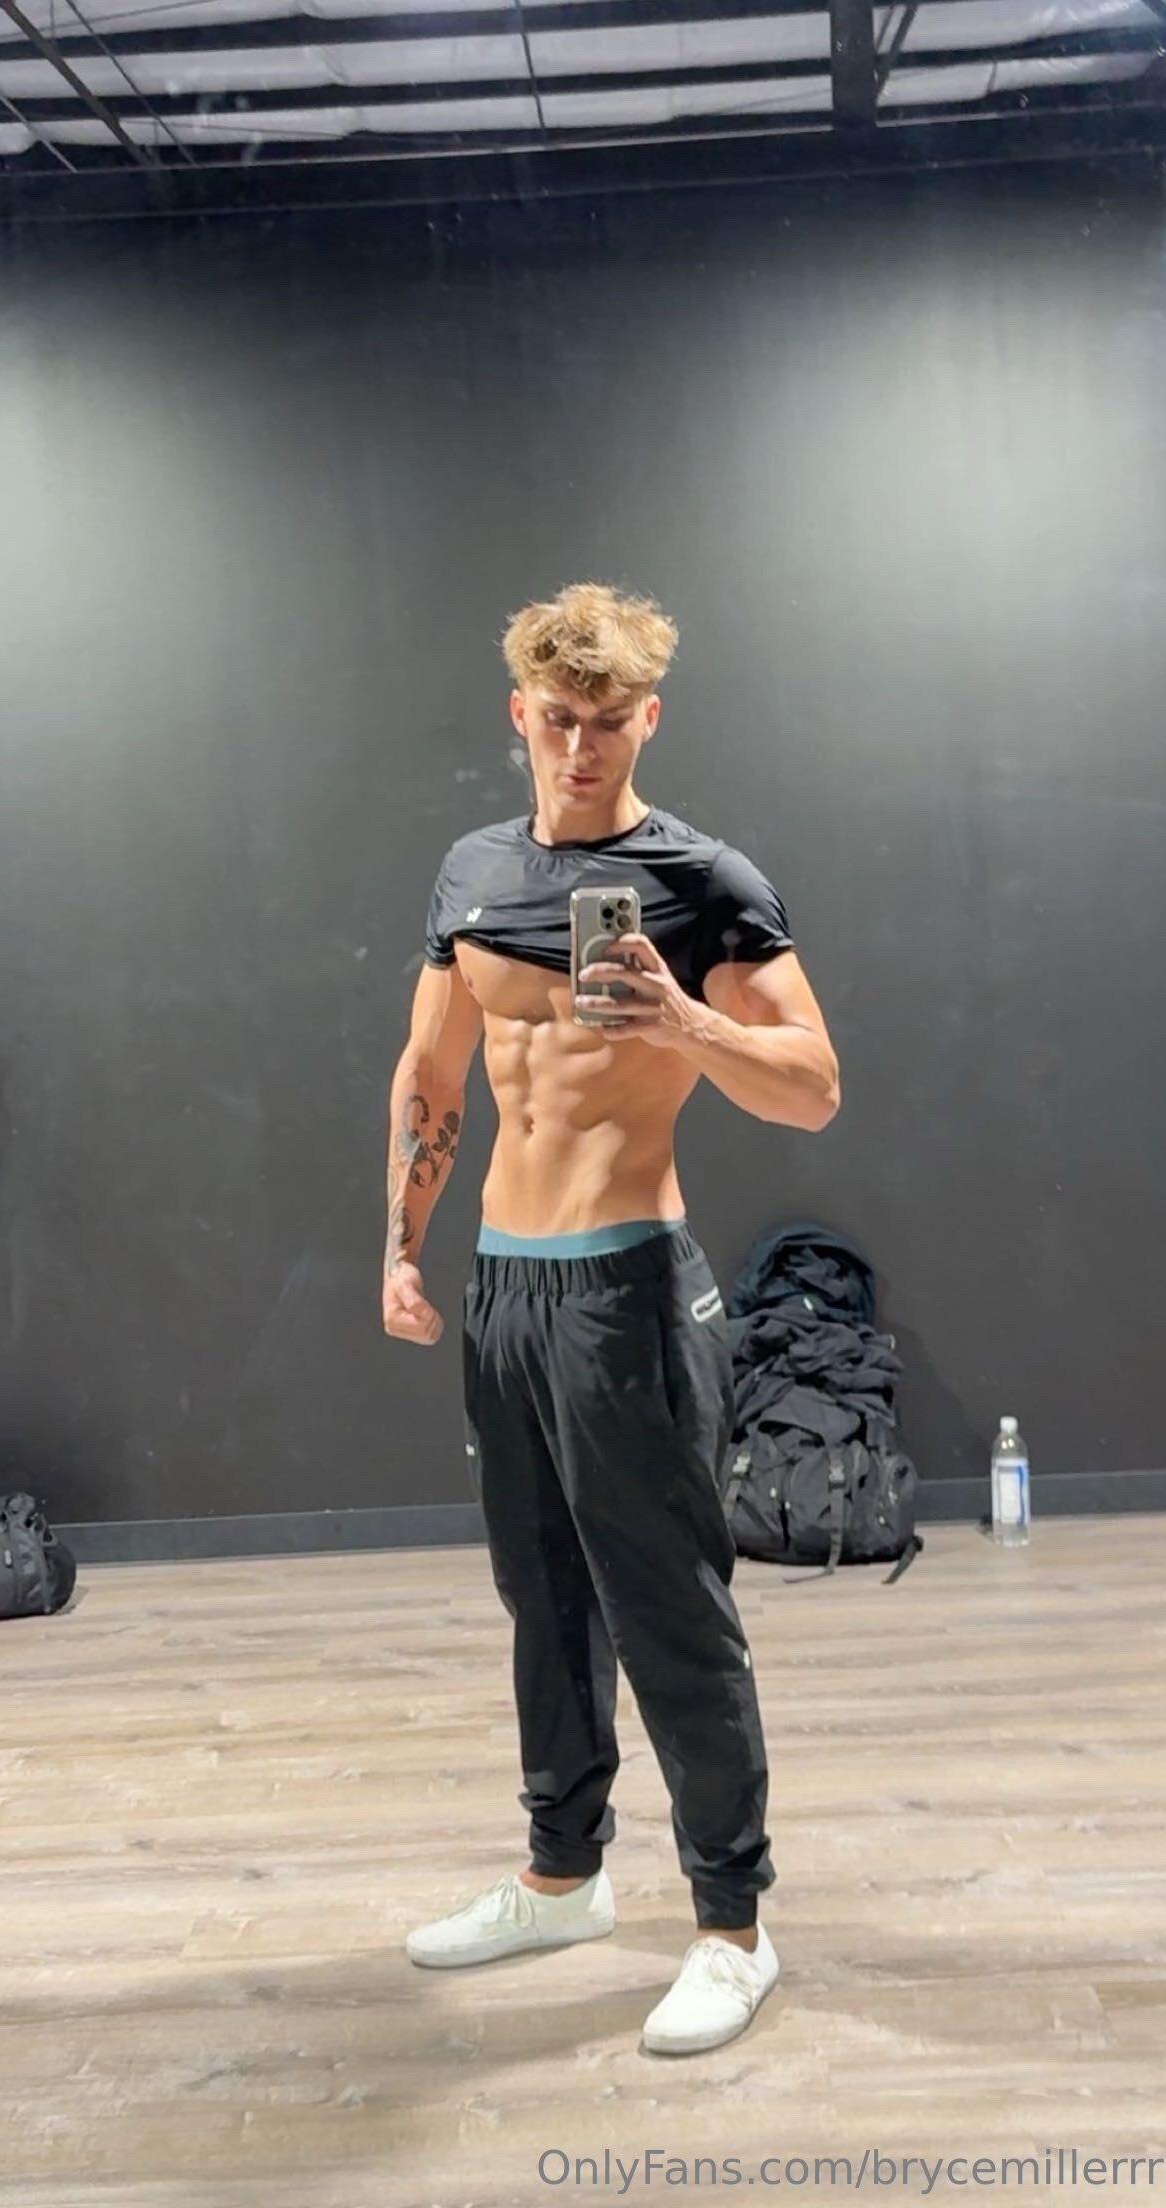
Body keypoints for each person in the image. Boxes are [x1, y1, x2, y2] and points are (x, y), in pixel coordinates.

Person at [381, 582, 839, 2056]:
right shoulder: (469, 873)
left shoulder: (703, 881)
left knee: (669, 1612)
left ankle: (732, 1927)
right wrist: (401, 1249)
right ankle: (560, 1878)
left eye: (607, 723)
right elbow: (432, 1075)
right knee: (543, 1600)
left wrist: (685, 1021)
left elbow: (813, 1086)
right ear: (519, 715)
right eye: (557, 722)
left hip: (627, 1286)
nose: (580, 749)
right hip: (505, 1289)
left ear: (650, 720)